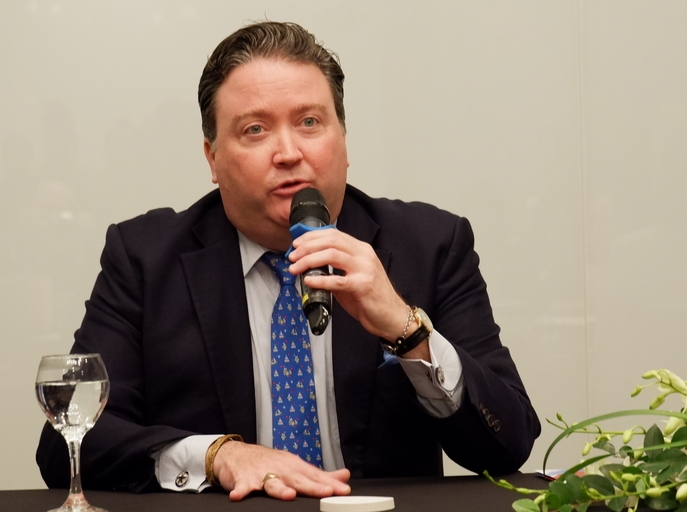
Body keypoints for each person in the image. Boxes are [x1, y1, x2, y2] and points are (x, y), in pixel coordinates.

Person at [36, 20, 540, 501]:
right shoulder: (145, 259)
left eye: (310, 122)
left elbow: (508, 443)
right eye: (255, 129)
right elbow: (67, 447)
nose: (288, 151)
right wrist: (216, 455)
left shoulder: (429, 245)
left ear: (344, 141)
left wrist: (407, 330)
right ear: (212, 158)